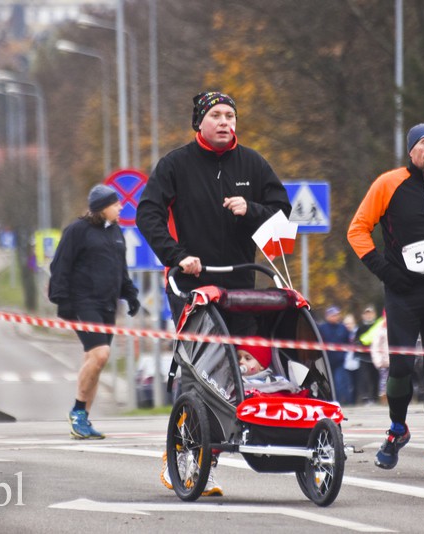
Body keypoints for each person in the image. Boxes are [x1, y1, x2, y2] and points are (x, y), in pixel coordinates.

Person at [137, 91, 291, 497]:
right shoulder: (175, 164)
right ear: (200, 123)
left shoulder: (254, 163)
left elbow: (282, 212)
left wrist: (252, 209)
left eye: (231, 115)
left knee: (247, 363)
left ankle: (224, 448)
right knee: (200, 368)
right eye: (217, 115)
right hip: (191, 283)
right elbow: (147, 213)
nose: (225, 122)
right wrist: (177, 255)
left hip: (241, 284)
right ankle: (184, 458)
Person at [347, 123, 424, 479]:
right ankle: (397, 427)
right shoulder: (388, 183)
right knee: (400, 368)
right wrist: (385, 271)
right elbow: (357, 229)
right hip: (401, 292)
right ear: (412, 150)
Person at [48, 184, 140, 440]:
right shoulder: (77, 231)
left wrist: (130, 294)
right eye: (115, 204)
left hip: (107, 304)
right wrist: (62, 302)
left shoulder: (116, 232)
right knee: (100, 355)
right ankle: (77, 410)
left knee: (94, 362)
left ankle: (83, 421)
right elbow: (60, 265)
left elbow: (120, 269)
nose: (121, 207)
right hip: (82, 302)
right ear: (102, 208)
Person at [318, 306, 353, 405]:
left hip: (340, 361)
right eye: (333, 315)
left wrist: (343, 355)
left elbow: (348, 343)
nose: (335, 317)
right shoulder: (322, 328)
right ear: (327, 316)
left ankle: (343, 402)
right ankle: (330, 402)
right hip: (326, 361)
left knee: (340, 383)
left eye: (336, 315)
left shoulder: (343, 328)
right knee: (328, 383)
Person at [236, 344, 301, 394]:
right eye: (238, 358)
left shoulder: (277, 381)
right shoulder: (236, 383)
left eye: (247, 358)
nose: (241, 361)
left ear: (261, 365)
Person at [354, 305, 383, 404]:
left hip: (376, 357)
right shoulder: (360, 328)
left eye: (370, 313)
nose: (369, 316)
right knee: (365, 379)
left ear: (374, 314)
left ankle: (375, 397)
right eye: (367, 314)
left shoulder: (379, 326)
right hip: (364, 358)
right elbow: (356, 341)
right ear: (363, 315)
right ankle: (366, 398)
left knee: (376, 378)